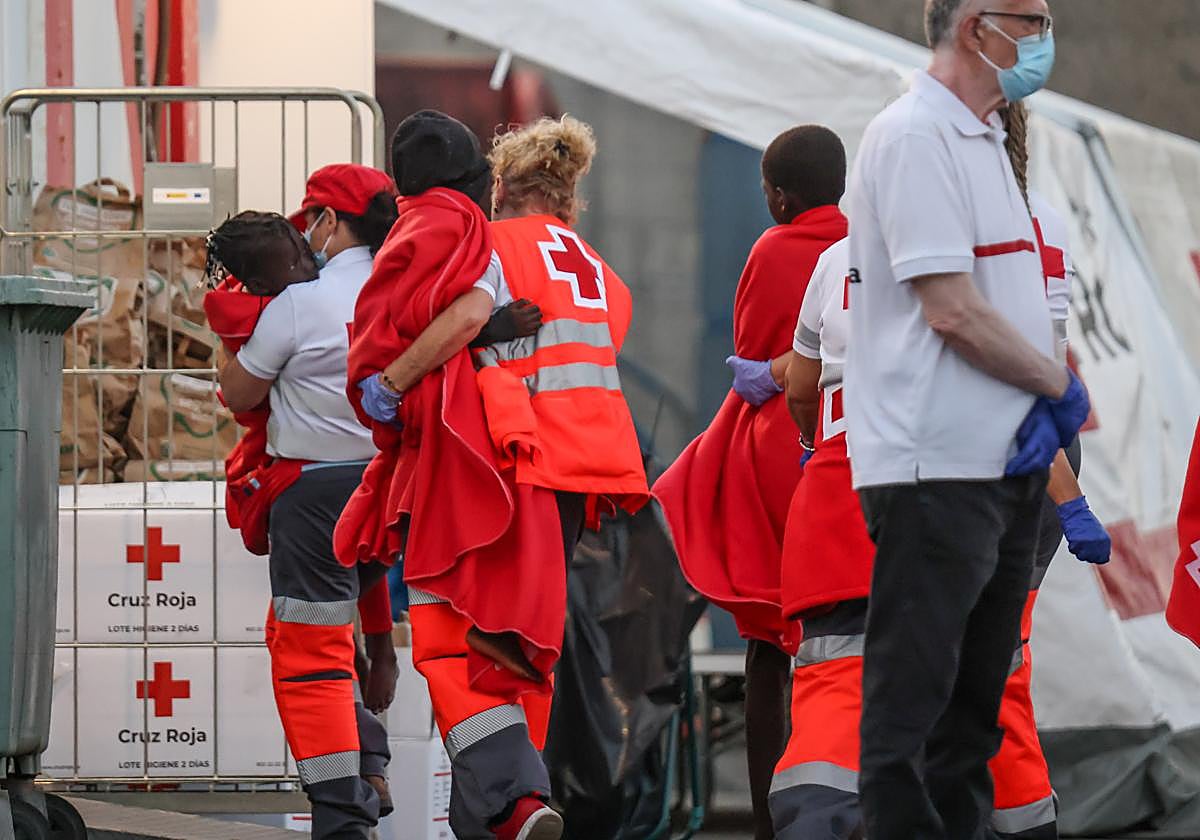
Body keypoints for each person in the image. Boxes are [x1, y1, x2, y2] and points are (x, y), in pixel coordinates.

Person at [769, 104, 1110, 834]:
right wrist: (1067, 497)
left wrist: (813, 446)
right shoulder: (1031, 232)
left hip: (853, 479)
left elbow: (804, 384)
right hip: (990, 476)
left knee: (841, 677)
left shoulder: (843, 255)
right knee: (992, 675)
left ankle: (828, 817)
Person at [842, 1, 1091, 837]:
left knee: (970, 719)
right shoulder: (917, 137)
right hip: (935, 468)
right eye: (1034, 19)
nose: (1044, 39)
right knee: (913, 716)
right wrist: (1055, 384)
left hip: (998, 468)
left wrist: (1037, 405)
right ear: (978, 26)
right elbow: (950, 309)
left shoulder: (984, 142)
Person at [333, 109, 567, 840]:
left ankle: (517, 800)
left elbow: (465, 309)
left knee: (443, 645)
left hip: (459, 465)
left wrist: (392, 380)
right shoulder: (565, 258)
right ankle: (504, 817)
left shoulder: (435, 228)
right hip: (536, 462)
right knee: (508, 650)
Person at [653, 125, 849, 839]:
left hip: (780, 448)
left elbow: (752, 347)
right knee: (851, 645)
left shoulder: (773, 249)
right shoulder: (860, 248)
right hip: (844, 448)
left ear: (777, 195)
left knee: (770, 646)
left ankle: (770, 822)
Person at [210, 163, 400, 839]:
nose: (305, 239)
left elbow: (240, 394)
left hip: (315, 495)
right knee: (337, 621)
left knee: (307, 652)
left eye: (310, 221)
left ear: (328, 220)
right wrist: (383, 645)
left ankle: (342, 816)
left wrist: (227, 332)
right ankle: (370, 766)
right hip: (393, 487)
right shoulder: (403, 284)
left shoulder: (300, 303)